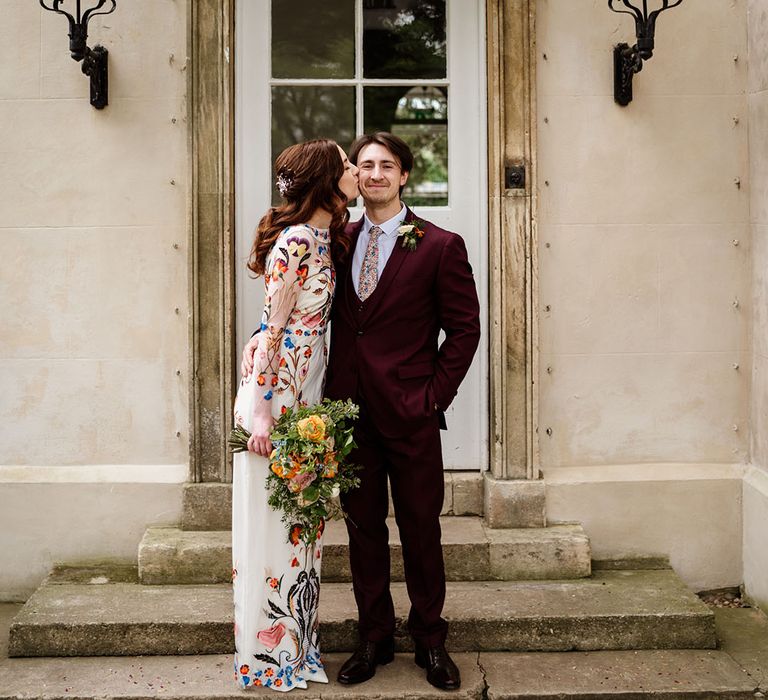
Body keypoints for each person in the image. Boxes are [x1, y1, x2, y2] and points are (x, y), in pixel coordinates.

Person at [242, 132, 480, 691]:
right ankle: (374, 638)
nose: (372, 173)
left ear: (403, 176)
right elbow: (291, 301)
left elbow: (464, 331)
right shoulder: (334, 239)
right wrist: (260, 341)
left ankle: (430, 640)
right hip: (346, 416)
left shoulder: (441, 245)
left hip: (412, 413)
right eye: (364, 164)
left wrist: (432, 397)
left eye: (385, 165)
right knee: (362, 530)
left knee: (422, 530)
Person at [232, 138, 359, 692]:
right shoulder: (297, 240)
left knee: (302, 523)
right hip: (279, 396)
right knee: (278, 522)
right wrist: (261, 413)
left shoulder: (327, 237)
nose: (357, 171)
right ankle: (269, 655)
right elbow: (273, 327)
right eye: (348, 166)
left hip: (307, 392)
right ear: (327, 179)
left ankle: (297, 646)